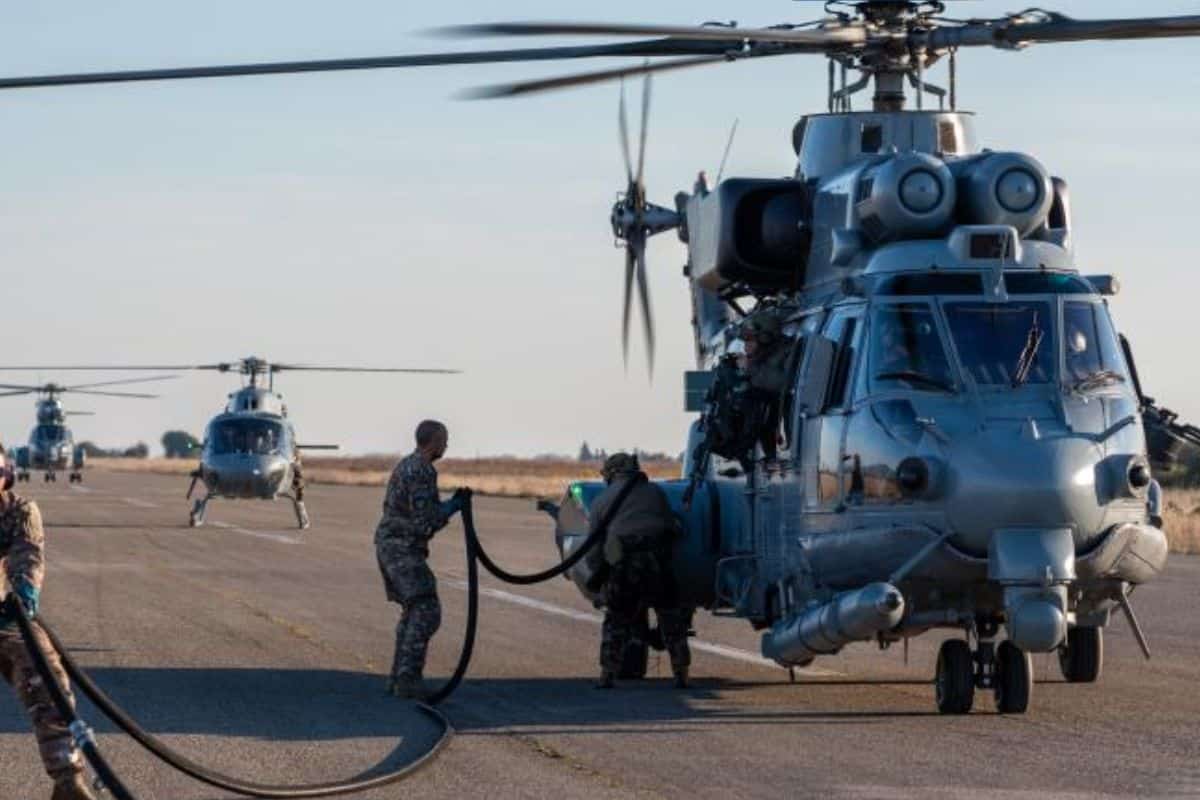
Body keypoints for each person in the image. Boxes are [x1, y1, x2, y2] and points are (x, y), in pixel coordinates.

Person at [0, 446, 97, 800]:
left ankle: (68, 780)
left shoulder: (18, 510)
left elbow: (27, 553)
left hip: (5, 621)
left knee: (48, 676)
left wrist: (24, 591)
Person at [375, 420, 465, 699]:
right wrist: (453, 507)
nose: (446, 445)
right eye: (444, 440)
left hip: (393, 545)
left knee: (414, 609)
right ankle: (408, 678)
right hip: (401, 547)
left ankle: (399, 678)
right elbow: (427, 521)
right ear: (432, 441)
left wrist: (449, 505)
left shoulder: (408, 464)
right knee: (426, 610)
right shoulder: (422, 470)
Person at [591, 453, 692, 690]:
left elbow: (594, 546)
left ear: (612, 473)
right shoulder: (656, 493)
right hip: (658, 563)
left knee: (616, 621)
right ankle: (681, 673)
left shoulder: (603, 499)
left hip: (624, 567)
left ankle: (607, 674)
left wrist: (598, 577)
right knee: (671, 619)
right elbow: (671, 528)